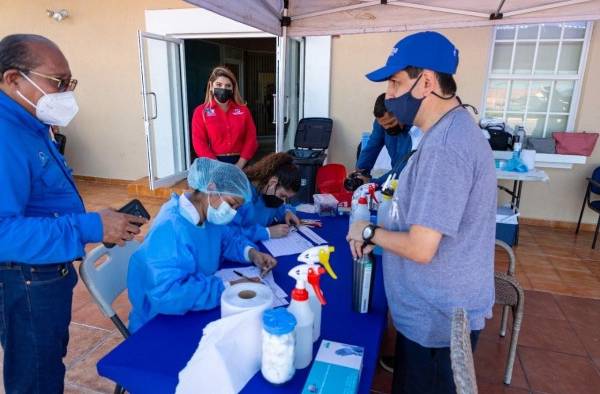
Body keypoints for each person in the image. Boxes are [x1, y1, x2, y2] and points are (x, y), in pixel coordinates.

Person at [347, 31, 496, 393]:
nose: (390, 95)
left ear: (427, 81)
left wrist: (366, 231)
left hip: (437, 321)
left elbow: (421, 247)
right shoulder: (445, 132)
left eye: (396, 83)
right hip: (432, 316)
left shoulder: (446, 146)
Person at [0, 34, 146, 393]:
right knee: (35, 374)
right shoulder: (4, 136)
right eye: (58, 82)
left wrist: (94, 220)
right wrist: (90, 224)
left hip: (50, 271)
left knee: (47, 361)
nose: (65, 92)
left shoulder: (30, 125)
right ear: (13, 79)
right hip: (27, 279)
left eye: (70, 83)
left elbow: (42, 199)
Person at [127, 158, 277, 333]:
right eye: (231, 204)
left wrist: (252, 254)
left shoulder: (207, 215)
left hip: (193, 304)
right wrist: (227, 287)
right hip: (158, 322)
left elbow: (227, 240)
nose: (233, 212)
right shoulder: (171, 230)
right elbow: (168, 294)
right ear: (212, 189)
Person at [192, 66, 258, 169]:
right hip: (213, 163)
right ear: (211, 86)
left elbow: (251, 139)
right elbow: (199, 143)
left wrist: (239, 165)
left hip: (241, 163)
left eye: (228, 86)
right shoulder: (201, 112)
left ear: (233, 89)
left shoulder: (243, 111)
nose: (223, 88)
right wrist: (218, 167)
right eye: (219, 84)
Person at [353, 93, 423, 186]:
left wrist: (373, 183)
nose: (387, 128)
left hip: (409, 179)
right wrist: (360, 172)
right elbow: (372, 147)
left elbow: (402, 169)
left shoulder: (415, 131)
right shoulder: (381, 122)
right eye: (383, 125)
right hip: (393, 178)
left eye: (391, 123)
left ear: (400, 113)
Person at [231, 152, 302, 242]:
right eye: (282, 196)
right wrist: (267, 232)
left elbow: (280, 209)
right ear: (273, 182)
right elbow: (229, 234)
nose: (283, 201)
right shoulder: (240, 196)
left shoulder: (268, 192)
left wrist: (287, 212)